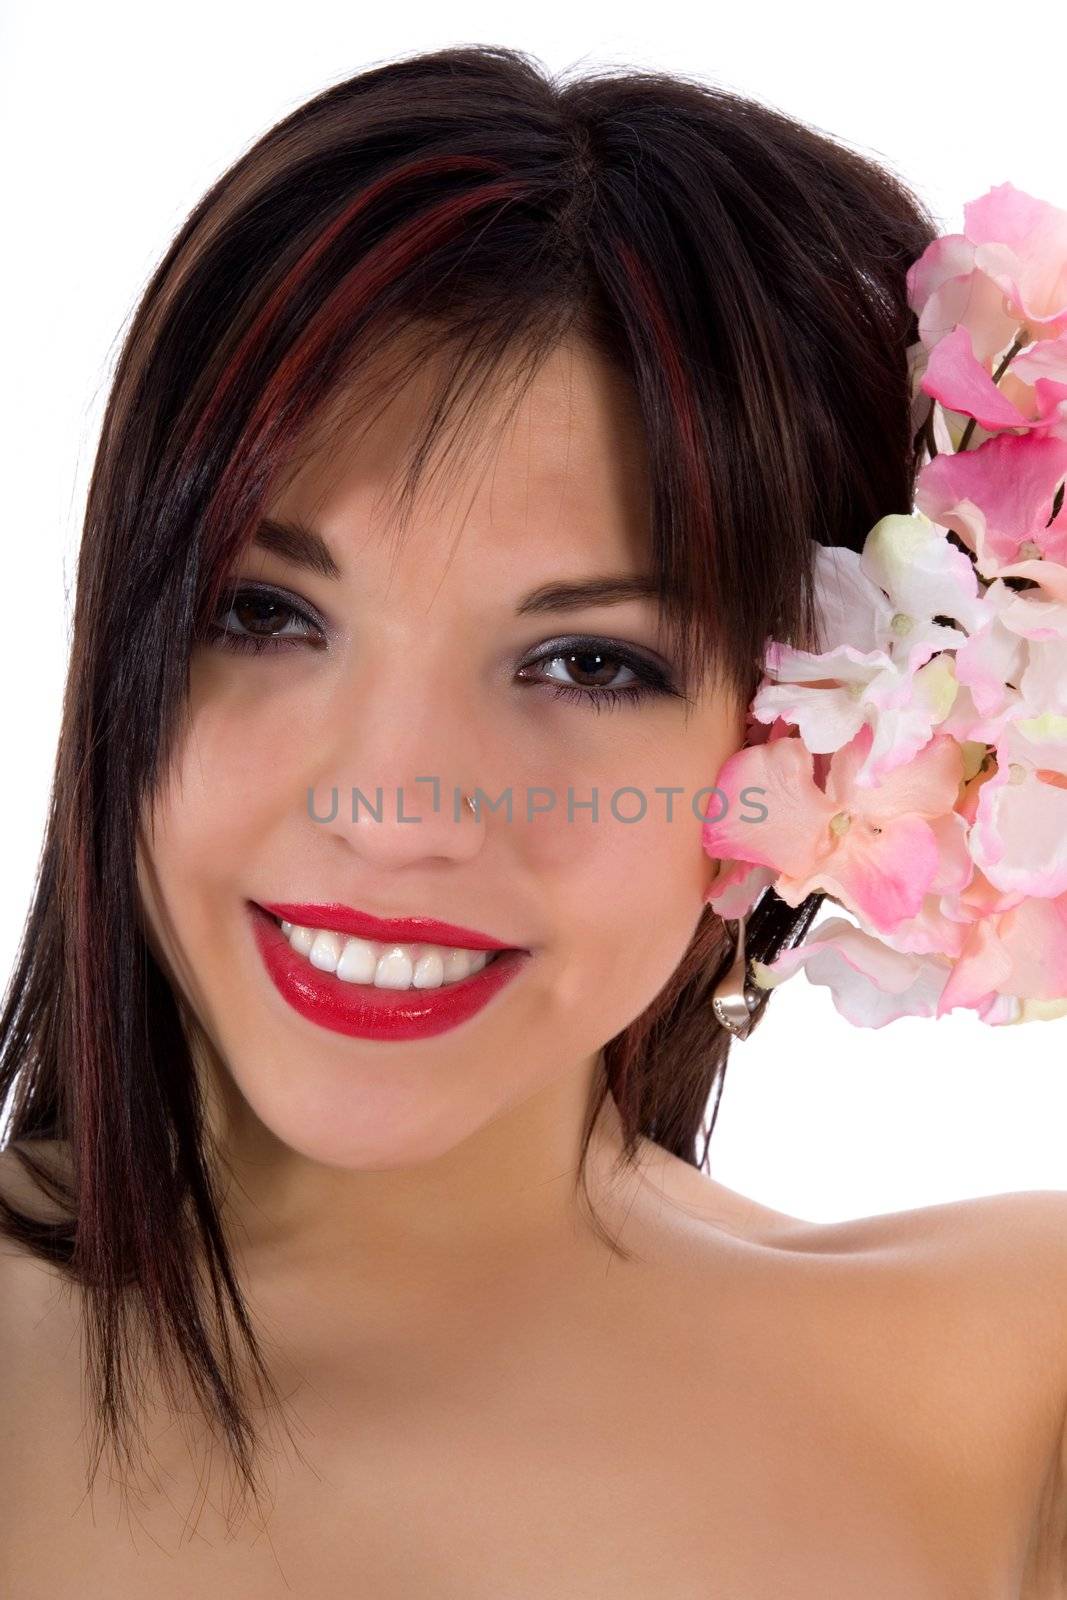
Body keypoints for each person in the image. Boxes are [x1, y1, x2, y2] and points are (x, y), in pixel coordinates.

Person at [1, 42, 1066, 1597]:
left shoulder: (1015, 1393)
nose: (393, 808)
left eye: (589, 660)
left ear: (826, 745)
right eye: (266, 613)